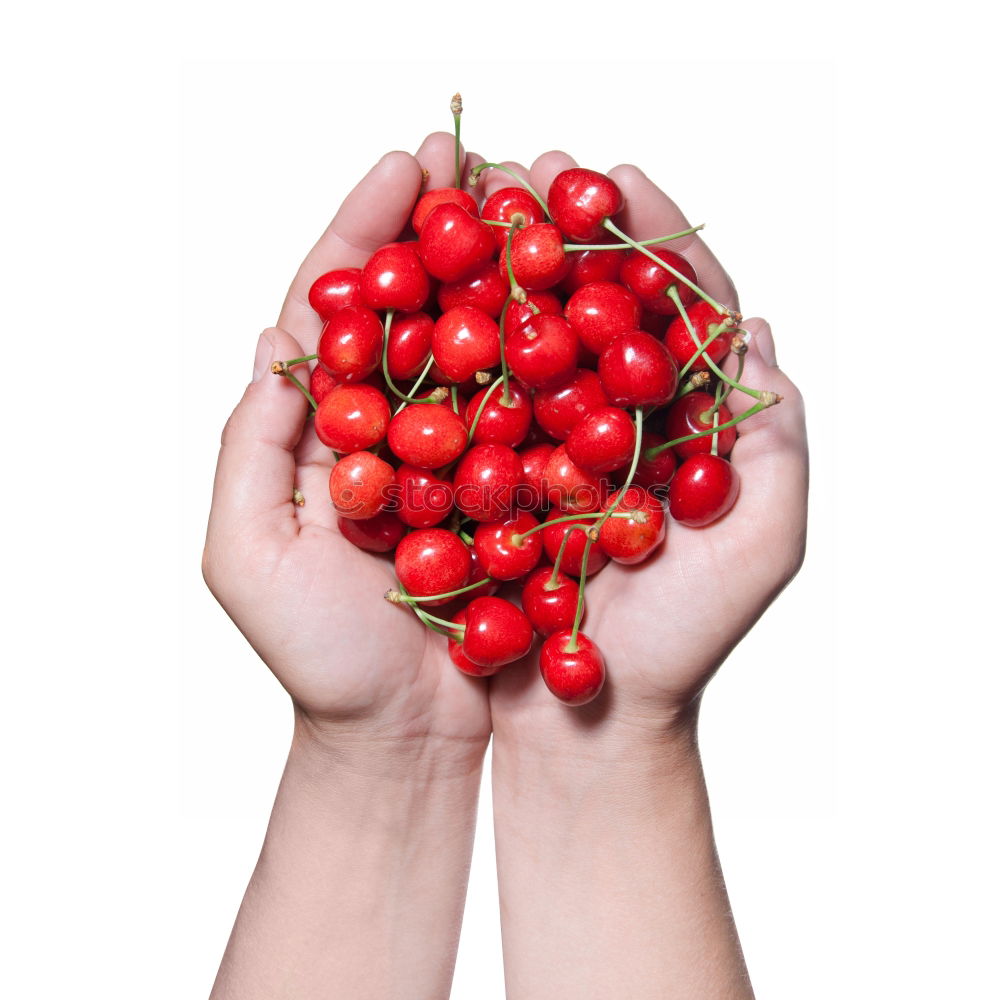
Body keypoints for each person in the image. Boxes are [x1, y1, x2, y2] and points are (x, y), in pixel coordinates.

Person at [202, 130, 808, 999]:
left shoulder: (554, 448)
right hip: (487, 531)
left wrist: (614, 732)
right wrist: (375, 742)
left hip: (518, 535)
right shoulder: (441, 429)